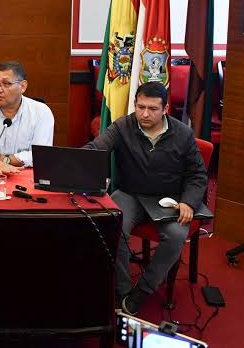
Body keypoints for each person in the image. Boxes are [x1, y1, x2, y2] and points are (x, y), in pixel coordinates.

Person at [84, 81, 207, 315]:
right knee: (112, 224)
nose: (145, 114)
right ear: (135, 104)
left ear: (165, 109)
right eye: (140, 107)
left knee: (175, 235)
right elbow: (96, 149)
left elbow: (197, 174)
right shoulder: (123, 126)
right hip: (130, 193)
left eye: (152, 109)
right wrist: (73, 161)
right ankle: (122, 291)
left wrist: (189, 201)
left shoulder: (183, 133)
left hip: (170, 198)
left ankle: (143, 289)